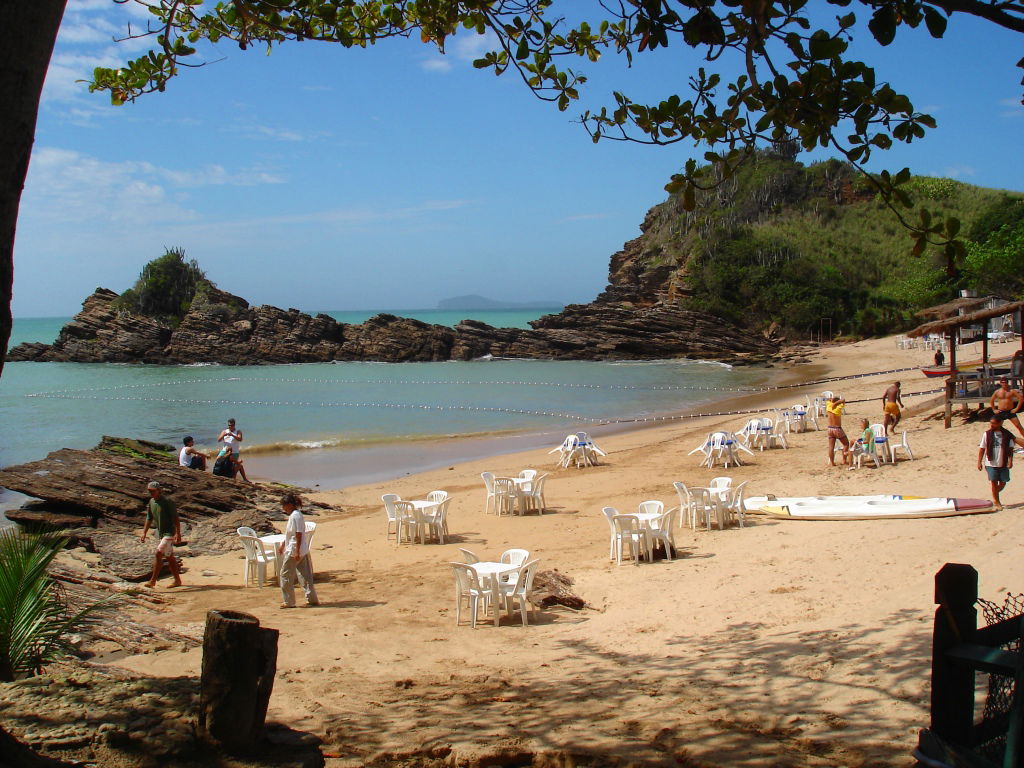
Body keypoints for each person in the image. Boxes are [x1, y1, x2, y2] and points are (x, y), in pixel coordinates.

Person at [278, 492, 319, 609]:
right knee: (305, 575)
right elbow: (290, 534)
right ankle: (311, 599)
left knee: (285, 575)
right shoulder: (295, 515)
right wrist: (283, 545)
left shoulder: (296, 516)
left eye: (284, 506)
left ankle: (289, 601)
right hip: (300, 550)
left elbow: (298, 534)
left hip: (295, 550)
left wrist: (296, 551)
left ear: (290, 505)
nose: (283, 508)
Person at [139, 481, 182, 588]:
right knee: (169, 557)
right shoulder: (151, 502)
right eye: (149, 491)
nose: (151, 493)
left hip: (169, 533)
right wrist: (144, 532)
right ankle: (177, 580)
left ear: (159, 490)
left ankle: (152, 581)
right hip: (161, 533)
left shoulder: (167, 502)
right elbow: (149, 518)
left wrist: (178, 533)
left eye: (153, 491)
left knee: (158, 553)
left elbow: (176, 518)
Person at [977, 417, 1024, 510]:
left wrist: (1010, 461)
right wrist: (979, 462)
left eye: (994, 423)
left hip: (1003, 463)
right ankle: (997, 501)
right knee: (994, 482)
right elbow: (982, 448)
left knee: (1003, 482)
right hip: (990, 463)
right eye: (991, 423)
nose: (991, 425)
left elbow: (1010, 449)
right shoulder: (987, 434)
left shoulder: (1007, 435)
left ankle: (995, 493)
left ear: (1000, 423)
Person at [825, 394, 850, 466]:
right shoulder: (838, 408)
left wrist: (833, 401)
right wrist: (837, 402)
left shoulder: (829, 406)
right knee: (846, 444)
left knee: (831, 446)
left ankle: (832, 462)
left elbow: (828, 400)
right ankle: (844, 460)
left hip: (830, 428)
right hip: (837, 428)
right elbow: (843, 400)